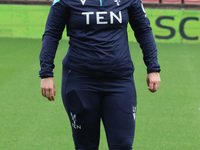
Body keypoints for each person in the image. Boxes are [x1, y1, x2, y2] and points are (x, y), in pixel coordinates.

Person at [39, 0, 161, 149]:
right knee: (85, 145)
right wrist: (46, 74)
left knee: (122, 144)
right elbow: (52, 34)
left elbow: (143, 30)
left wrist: (153, 68)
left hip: (120, 81)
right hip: (80, 81)